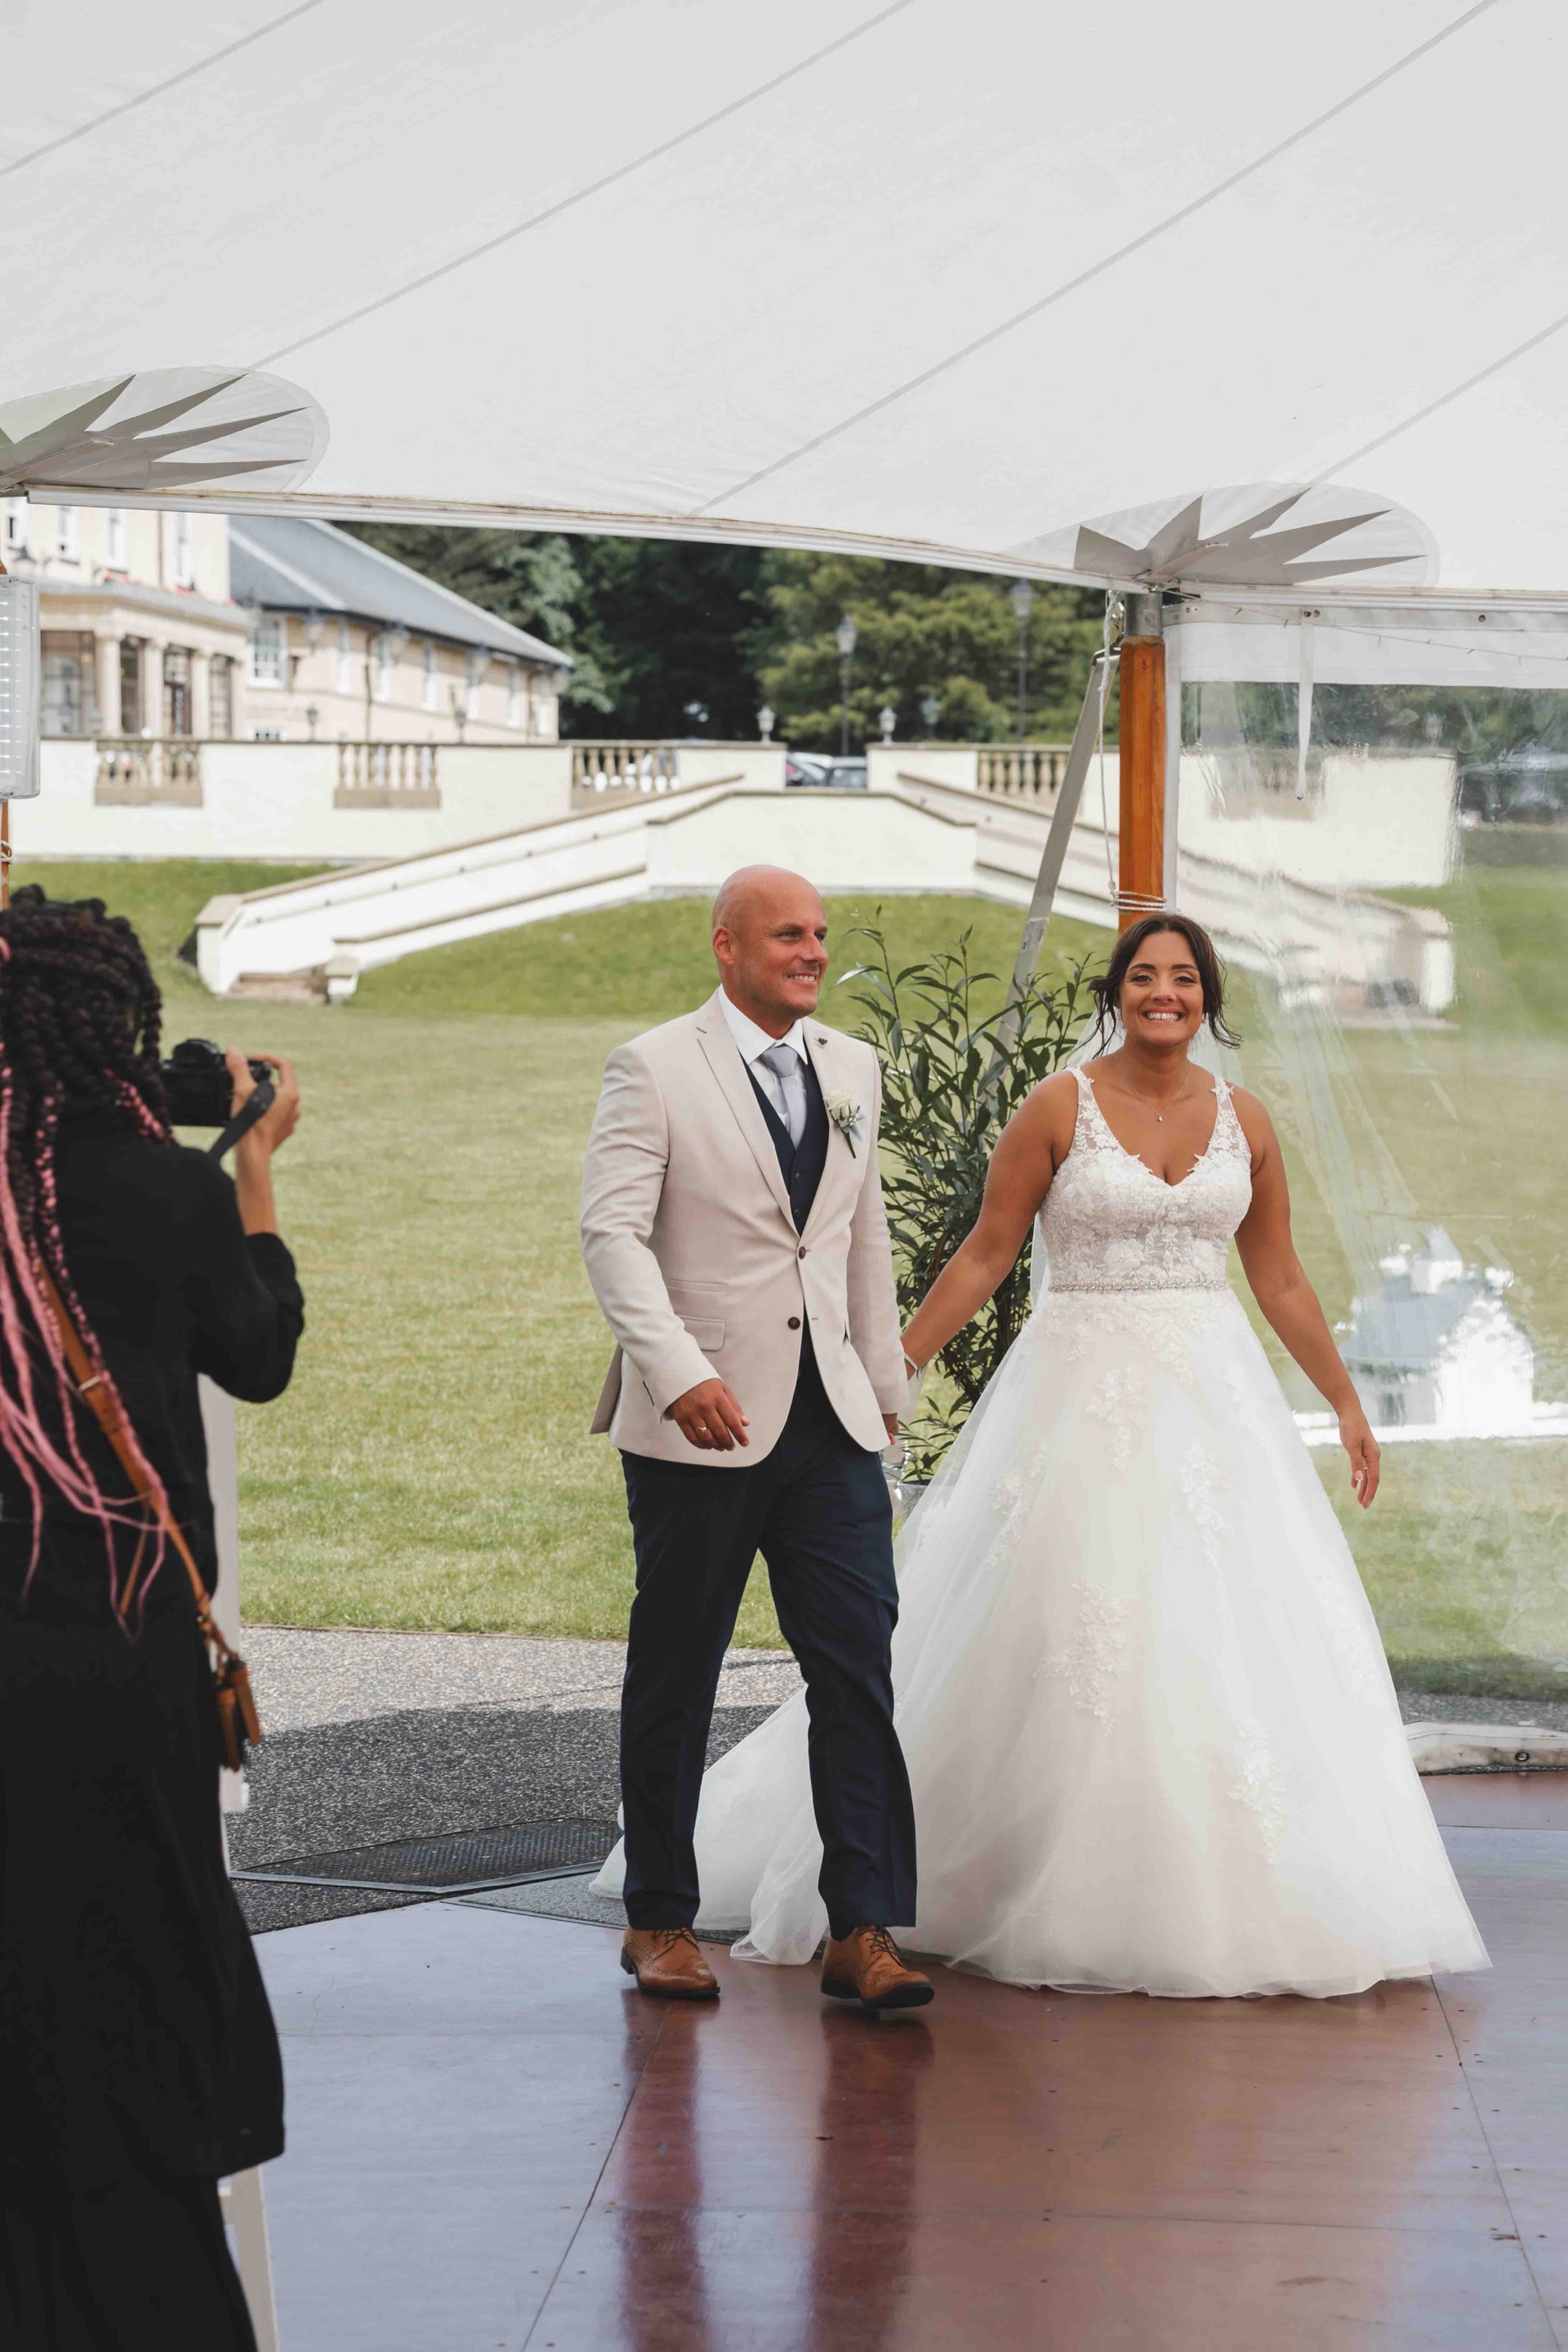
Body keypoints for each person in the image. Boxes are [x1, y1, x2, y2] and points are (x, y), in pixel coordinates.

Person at [668, 913, 1488, 1998]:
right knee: (1070, 1618)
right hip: (1076, 1396)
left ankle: (1218, 1882)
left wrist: (1344, 1399)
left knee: (1225, 1623)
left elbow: (1279, 1274)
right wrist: (893, 1368)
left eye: (1184, 978)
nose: (1165, 993)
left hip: (1217, 1405)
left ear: (1208, 998)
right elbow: (987, 1254)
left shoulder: (1246, 1119)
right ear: (1117, 993)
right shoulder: (1060, 1106)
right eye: (1144, 976)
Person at [0, 889, 305, 2348]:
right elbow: (258, 1352)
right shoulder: (160, 1189)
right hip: (122, 1659)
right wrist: (253, 1168)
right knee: (128, 1966)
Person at [582, 866, 933, 2014]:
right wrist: (679, 1369)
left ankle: (863, 1927)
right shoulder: (653, 1066)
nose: (813, 952)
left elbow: (860, 1238)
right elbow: (613, 1236)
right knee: (677, 1670)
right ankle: (658, 1919)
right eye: (788, 934)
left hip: (832, 1421)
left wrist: (882, 1383)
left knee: (858, 1668)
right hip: (704, 1416)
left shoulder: (852, 1067)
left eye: (820, 934)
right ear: (726, 945)